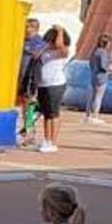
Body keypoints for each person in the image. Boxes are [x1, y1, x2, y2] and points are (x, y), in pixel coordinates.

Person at [37, 25, 70, 153]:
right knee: (46, 114)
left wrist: (60, 31)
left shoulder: (63, 51)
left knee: (53, 113)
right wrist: (44, 46)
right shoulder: (46, 52)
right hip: (43, 84)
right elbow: (36, 55)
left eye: (51, 40)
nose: (50, 43)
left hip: (55, 84)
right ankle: (47, 139)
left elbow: (59, 45)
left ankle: (53, 141)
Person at [18, 18, 46, 142]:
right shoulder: (22, 40)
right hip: (22, 78)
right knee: (25, 104)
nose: (26, 30)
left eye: (29, 27)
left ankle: (30, 130)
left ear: (35, 29)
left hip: (32, 78)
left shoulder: (39, 42)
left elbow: (38, 55)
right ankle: (26, 127)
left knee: (30, 103)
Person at [85, 33, 111, 124]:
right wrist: (109, 68)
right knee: (98, 97)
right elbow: (103, 66)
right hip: (101, 77)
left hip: (94, 75)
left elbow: (91, 64)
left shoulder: (94, 51)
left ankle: (88, 115)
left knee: (91, 96)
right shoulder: (103, 53)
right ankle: (95, 115)